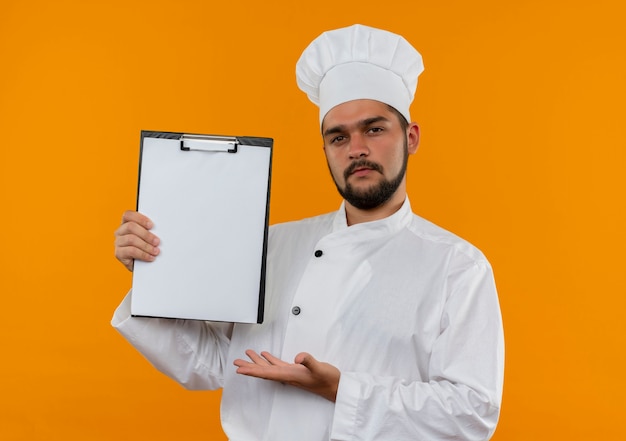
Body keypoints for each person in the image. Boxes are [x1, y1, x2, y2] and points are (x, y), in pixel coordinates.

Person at [112, 24, 504, 440]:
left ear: (410, 138)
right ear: (325, 151)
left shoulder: (456, 266)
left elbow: (472, 413)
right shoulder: (273, 246)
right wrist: (153, 270)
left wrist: (340, 390)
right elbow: (211, 363)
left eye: (374, 129)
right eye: (339, 137)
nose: (357, 149)